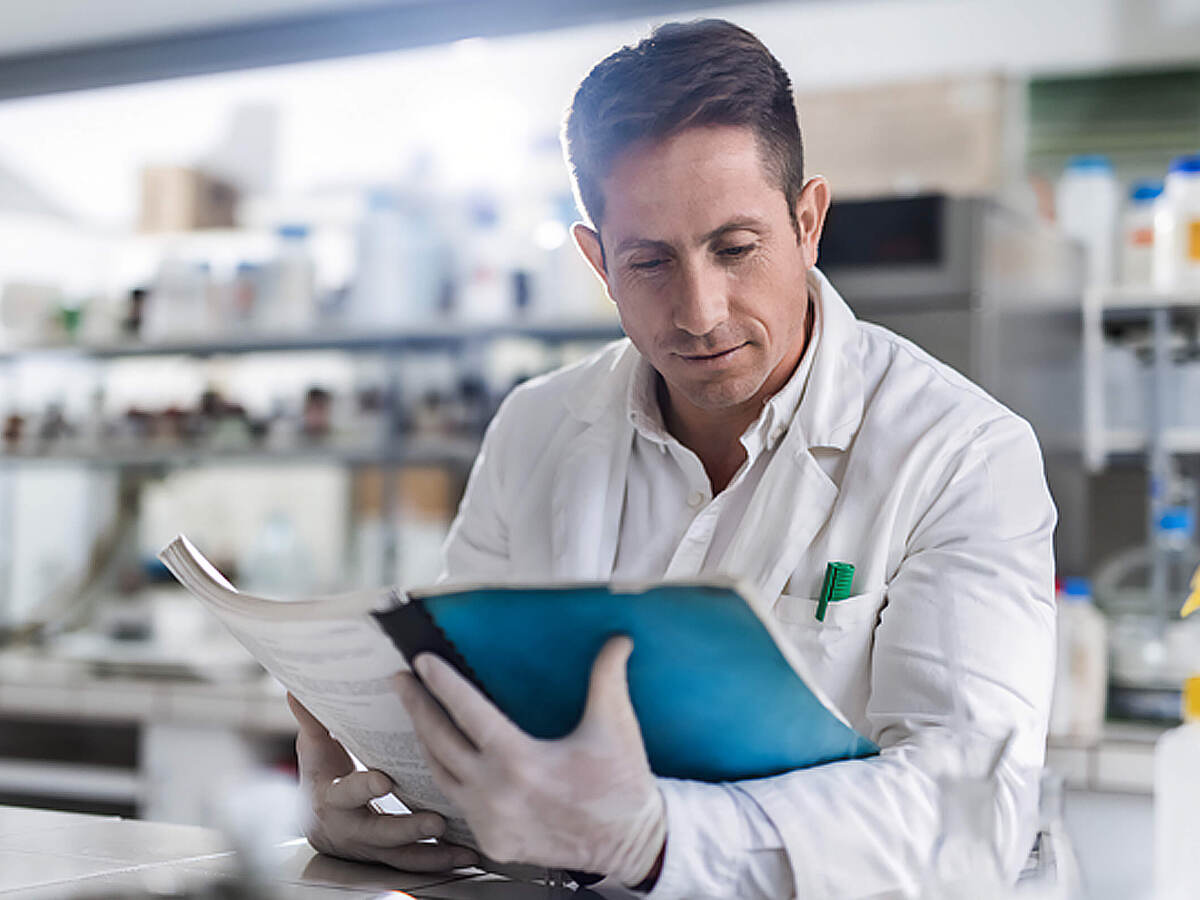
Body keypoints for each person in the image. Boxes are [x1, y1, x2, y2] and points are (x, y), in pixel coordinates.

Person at [290, 18, 1056, 899]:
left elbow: (971, 815)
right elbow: (476, 723)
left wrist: (656, 841)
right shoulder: (535, 428)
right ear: (598, 262)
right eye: (650, 261)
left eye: (736, 249)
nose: (699, 311)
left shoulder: (961, 455)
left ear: (807, 222)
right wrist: (389, 815)